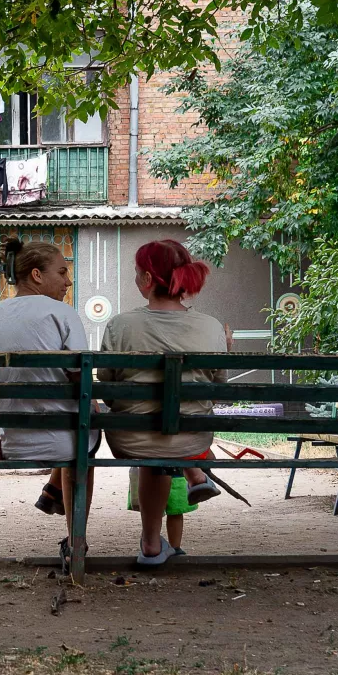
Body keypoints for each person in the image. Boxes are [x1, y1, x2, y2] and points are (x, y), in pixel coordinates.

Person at [99, 239, 231, 565]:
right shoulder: (211, 326)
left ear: (146, 279)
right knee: (177, 426)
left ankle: (150, 544)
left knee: (153, 444)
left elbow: (107, 383)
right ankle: (196, 473)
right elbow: (218, 386)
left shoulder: (120, 325)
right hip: (192, 436)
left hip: (132, 438)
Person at [0, 238, 98, 559]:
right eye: (62, 272)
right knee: (88, 431)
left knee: (78, 428)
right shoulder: (62, 314)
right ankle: (76, 540)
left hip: (13, 444)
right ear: (37, 275)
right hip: (67, 444)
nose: (68, 281)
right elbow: (80, 378)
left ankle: (54, 490)